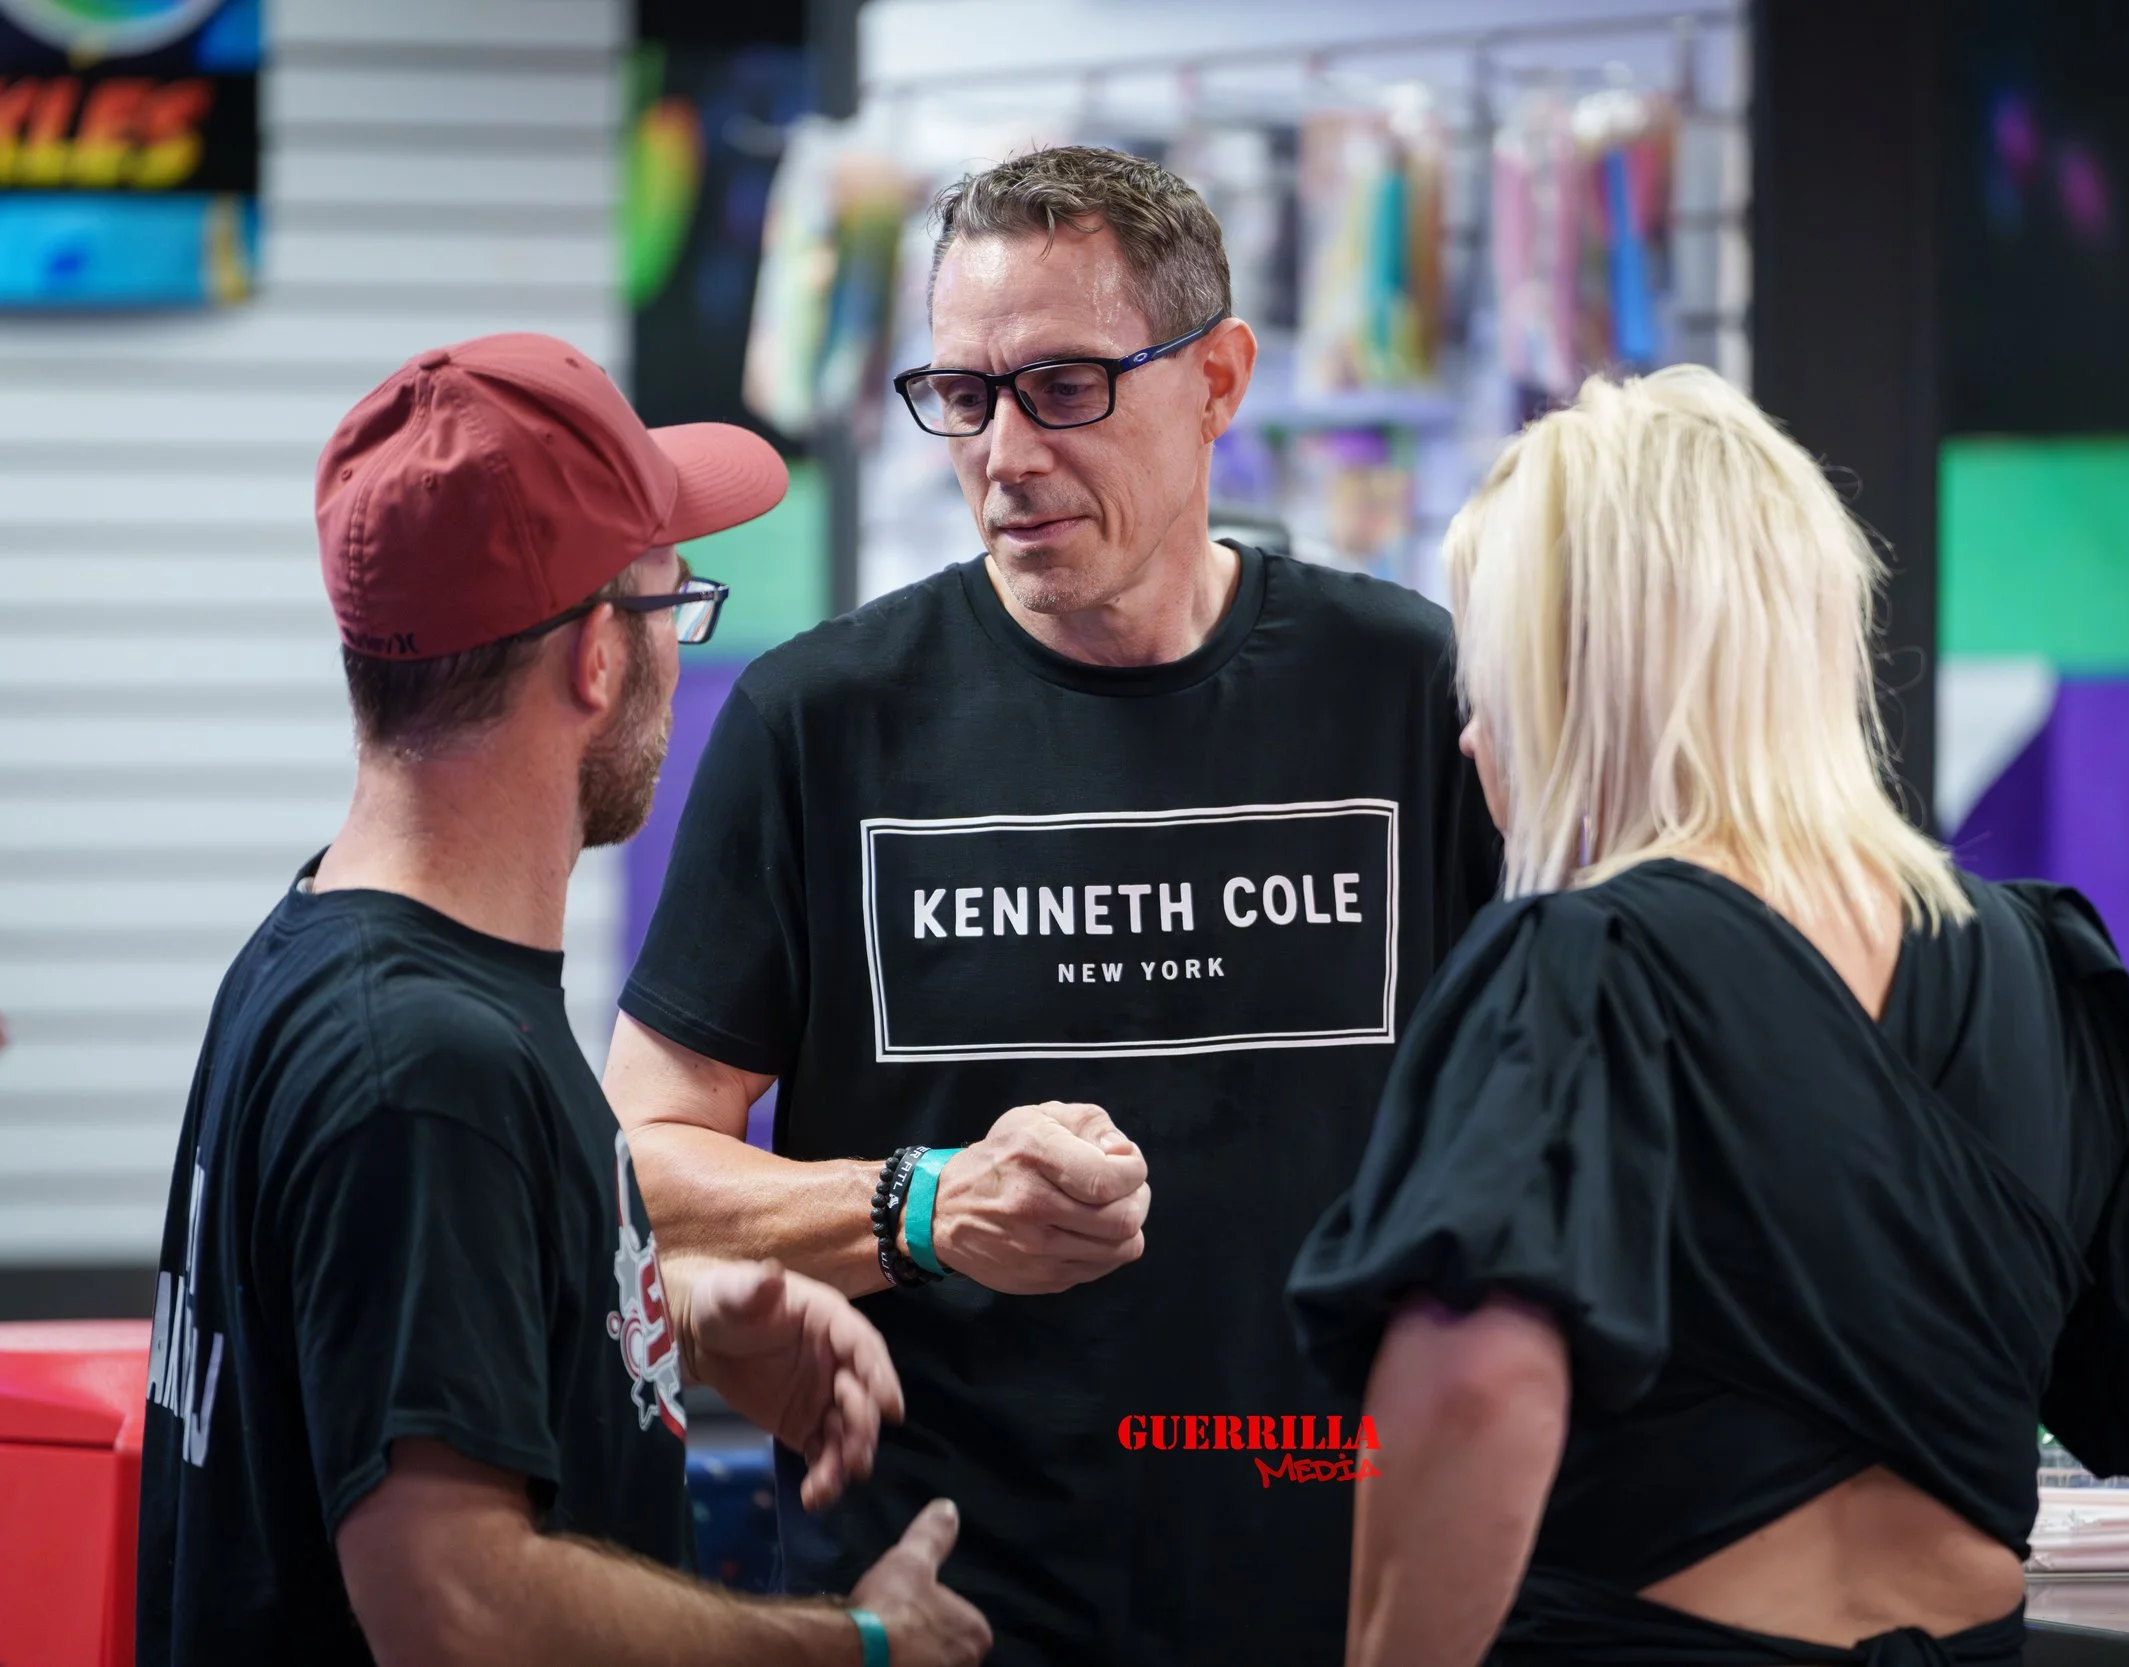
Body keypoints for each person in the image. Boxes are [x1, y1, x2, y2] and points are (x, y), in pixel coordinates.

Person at [1285, 366, 2129, 1667]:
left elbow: (1477, 1389)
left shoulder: (1572, 971)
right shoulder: (2052, 977)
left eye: (1492, 683)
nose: (1472, 742)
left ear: (1583, 678)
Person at [604, 146, 1500, 1666]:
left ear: (1218, 380)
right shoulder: (824, 718)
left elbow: (1530, 1146)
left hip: (1337, 1584)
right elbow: (639, 1160)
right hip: (938, 1602)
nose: (1002, 452)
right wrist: (924, 1207)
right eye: (962, 394)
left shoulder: (1409, 690)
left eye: (1064, 385)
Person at [136, 334, 990, 1667]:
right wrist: (858, 1643)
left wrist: (667, 1318)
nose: (679, 640)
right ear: (598, 654)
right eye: (675, 602)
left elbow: (366, 1357)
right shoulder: (422, 1069)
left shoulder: (315, 954)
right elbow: (455, 1603)